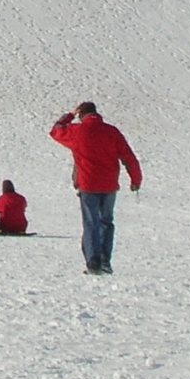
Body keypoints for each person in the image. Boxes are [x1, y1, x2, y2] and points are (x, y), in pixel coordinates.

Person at [50, 101, 142, 274]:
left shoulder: (77, 132)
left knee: (91, 222)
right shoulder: (111, 131)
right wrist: (136, 179)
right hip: (109, 185)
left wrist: (69, 115)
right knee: (106, 222)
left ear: (81, 115)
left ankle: (93, 261)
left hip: (87, 184)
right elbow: (128, 157)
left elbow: (55, 131)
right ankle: (105, 261)